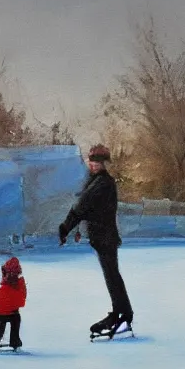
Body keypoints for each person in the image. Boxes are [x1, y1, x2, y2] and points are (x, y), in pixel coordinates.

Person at [58, 144, 133, 337]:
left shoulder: (103, 182)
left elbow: (82, 206)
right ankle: (121, 313)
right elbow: (87, 207)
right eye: (92, 161)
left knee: (112, 276)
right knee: (112, 276)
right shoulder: (95, 181)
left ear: (104, 163)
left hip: (105, 236)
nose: (94, 165)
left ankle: (123, 315)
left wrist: (66, 226)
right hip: (101, 236)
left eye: (98, 162)